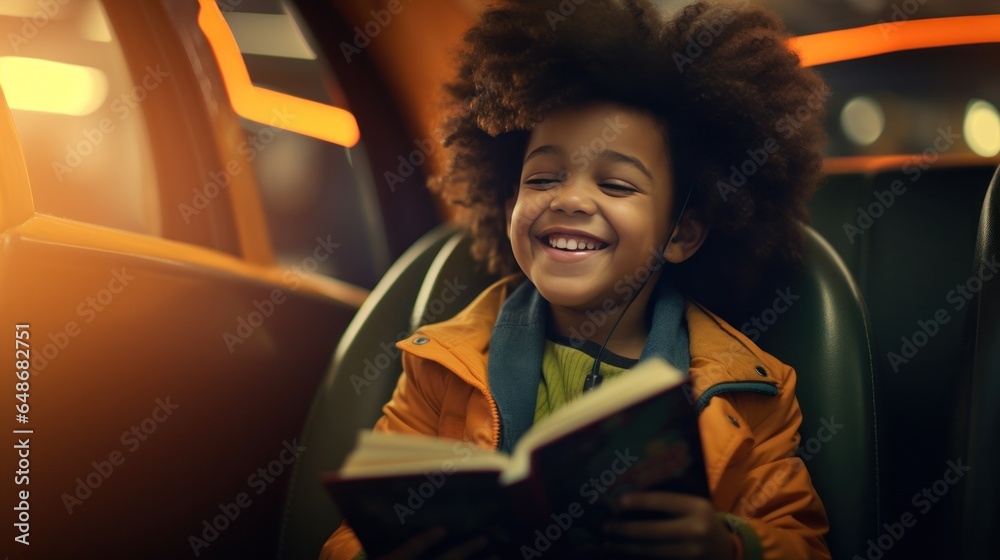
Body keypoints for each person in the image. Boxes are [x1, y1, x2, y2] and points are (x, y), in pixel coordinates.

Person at [322, 0, 830, 558]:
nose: (568, 199)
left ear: (681, 233)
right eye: (543, 177)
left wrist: (728, 545)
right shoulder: (439, 365)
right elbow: (353, 535)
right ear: (508, 199)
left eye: (616, 185)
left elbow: (802, 541)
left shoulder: (751, 395)